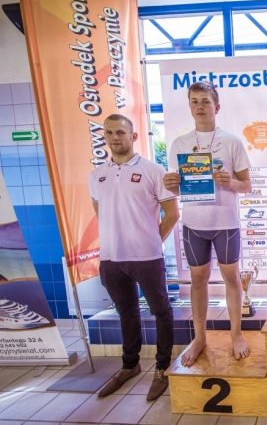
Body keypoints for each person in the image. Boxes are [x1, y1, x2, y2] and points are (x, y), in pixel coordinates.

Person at [90, 114, 179, 401]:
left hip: (146, 257)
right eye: (109, 133)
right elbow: (100, 211)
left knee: (161, 311)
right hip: (111, 258)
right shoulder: (97, 174)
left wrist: (152, 240)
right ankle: (130, 365)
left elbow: (172, 214)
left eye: (120, 132)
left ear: (133, 136)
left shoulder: (153, 170)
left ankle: (162, 368)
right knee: (126, 313)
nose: (114, 137)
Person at [164, 81, 252, 366]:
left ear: (217, 106)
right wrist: (171, 184)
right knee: (198, 281)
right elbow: (177, 189)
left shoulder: (232, 141)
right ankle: (200, 337)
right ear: (189, 106)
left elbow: (247, 185)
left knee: (231, 279)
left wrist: (231, 182)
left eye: (205, 101)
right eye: (195, 101)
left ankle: (236, 334)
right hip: (194, 225)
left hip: (225, 223)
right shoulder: (179, 144)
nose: (200, 106)